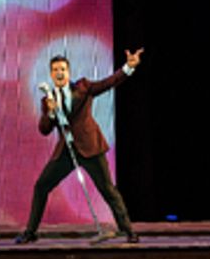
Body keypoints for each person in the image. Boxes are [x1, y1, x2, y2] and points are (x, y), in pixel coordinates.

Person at [15, 48, 144, 245]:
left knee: (108, 189)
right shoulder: (47, 99)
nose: (60, 73)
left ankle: (128, 230)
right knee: (41, 186)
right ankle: (30, 232)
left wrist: (128, 68)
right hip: (67, 150)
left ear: (69, 72)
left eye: (63, 69)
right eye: (56, 70)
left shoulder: (83, 87)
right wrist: (50, 113)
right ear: (51, 74)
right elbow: (44, 130)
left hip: (91, 148)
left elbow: (107, 83)